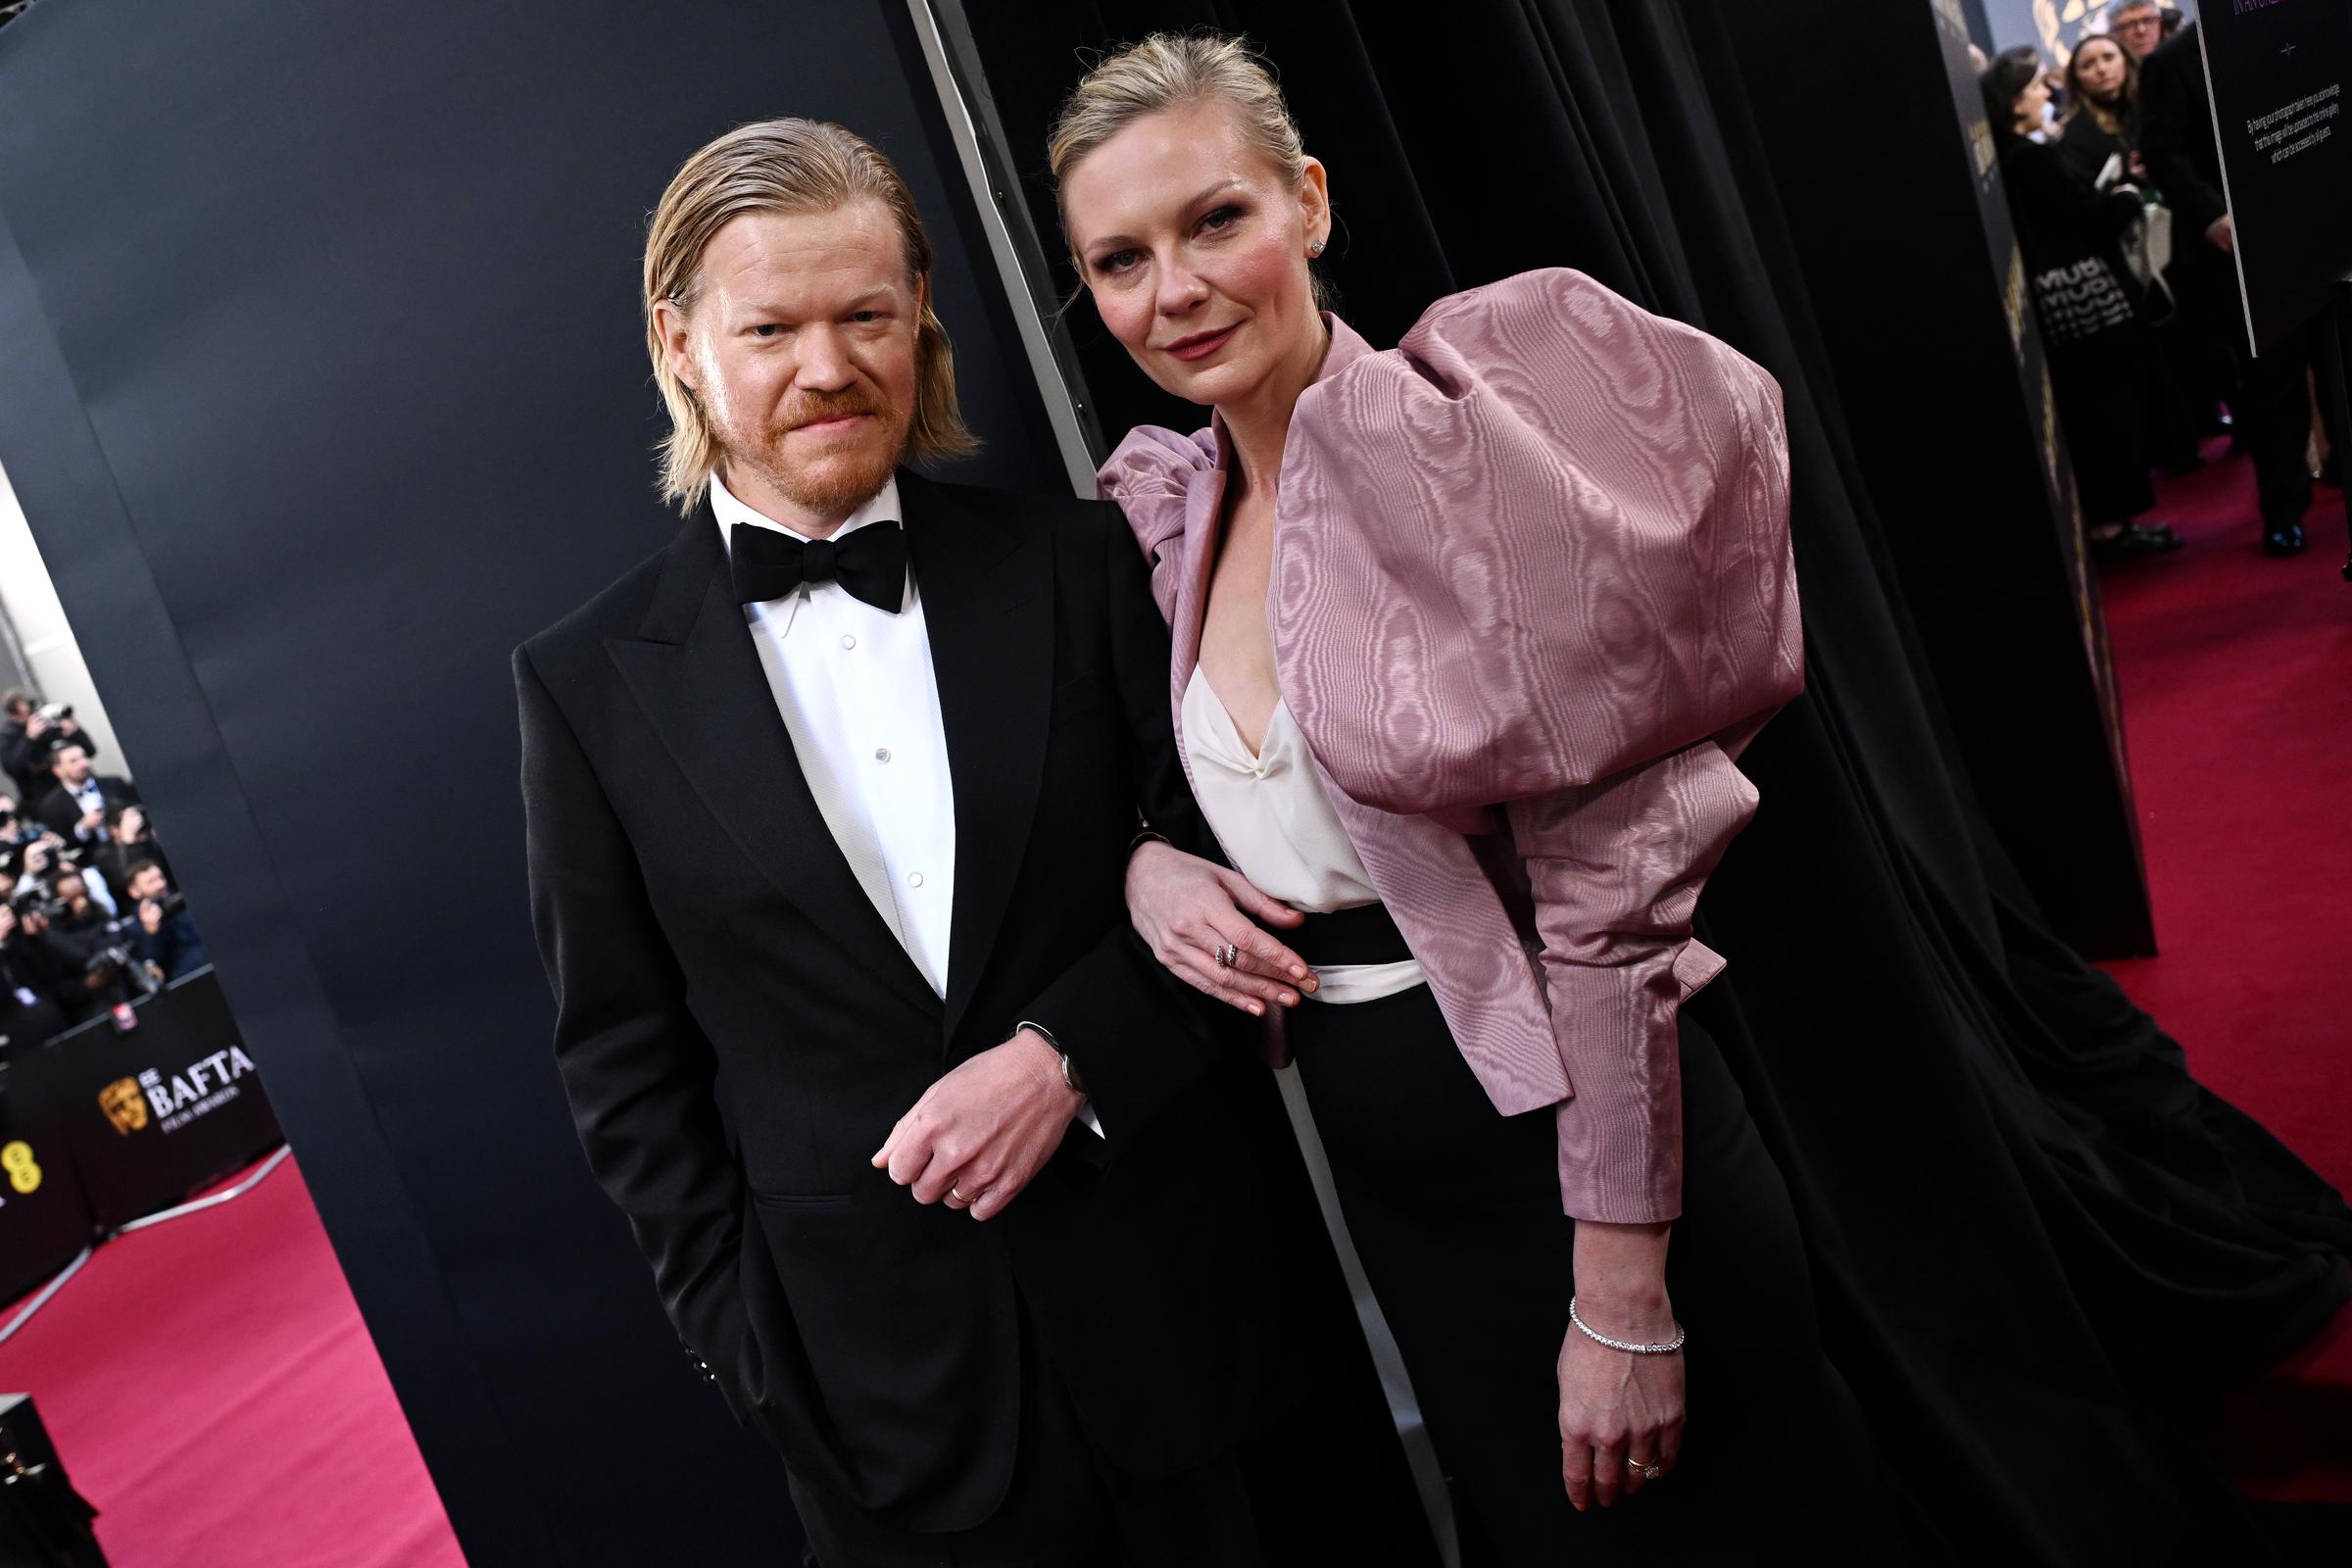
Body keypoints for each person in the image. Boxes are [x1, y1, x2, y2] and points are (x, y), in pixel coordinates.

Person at [515, 118, 1431, 1567]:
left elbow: (1240, 868)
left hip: (1212, 1338)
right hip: (889, 1421)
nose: (829, 367)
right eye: (772, 327)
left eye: (866, 314)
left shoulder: (1080, 561)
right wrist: (756, 1356)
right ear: (680, 345)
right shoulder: (584, 686)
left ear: (921, 320)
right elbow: (622, 1066)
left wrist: (1070, 1055)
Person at [1054, 34, 1912, 1564]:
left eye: (1215, 222)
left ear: (1309, 202)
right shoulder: (1171, 512)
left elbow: (1612, 895)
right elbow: (1194, 804)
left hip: (1588, 1172)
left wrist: (1624, 1285)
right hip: (1397, 1195)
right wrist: (1148, 875)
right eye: (1120, 260)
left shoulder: (1471, 453)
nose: (1172, 291)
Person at [1984, 48, 2181, 561]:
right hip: (2083, 312)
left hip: (2072, 307)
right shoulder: (2028, 158)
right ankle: (2113, 529)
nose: (2048, 94)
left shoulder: (2022, 154)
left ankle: (2114, 524)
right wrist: (2126, 199)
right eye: (2035, 89)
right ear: (2012, 104)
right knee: (2105, 418)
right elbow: (2085, 215)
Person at [2140, 19, 2326, 556]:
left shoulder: (2306, 31)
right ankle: (2284, 509)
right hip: (2242, 255)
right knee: (2273, 388)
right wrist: (2212, 215)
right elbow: (2163, 152)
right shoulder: (2171, 60)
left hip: (2326, 232)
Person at [30, 740, 139, 844]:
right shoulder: (52, 805)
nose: (84, 764)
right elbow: (65, 843)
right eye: (73, 761)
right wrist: (83, 828)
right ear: (57, 770)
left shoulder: (115, 783)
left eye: (84, 757)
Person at [0, 692, 99, 803]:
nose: (31, 714)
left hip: (83, 788)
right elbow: (14, 768)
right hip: (46, 798)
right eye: (25, 711)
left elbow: (90, 751)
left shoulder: (49, 724)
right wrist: (30, 738)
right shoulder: (8, 736)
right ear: (14, 715)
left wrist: (74, 731)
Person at [123, 859, 206, 981]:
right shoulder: (134, 927)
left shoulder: (182, 901)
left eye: (161, 877)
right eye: (151, 882)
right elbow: (154, 967)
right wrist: (152, 933)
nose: (161, 884)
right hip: (187, 979)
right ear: (134, 891)